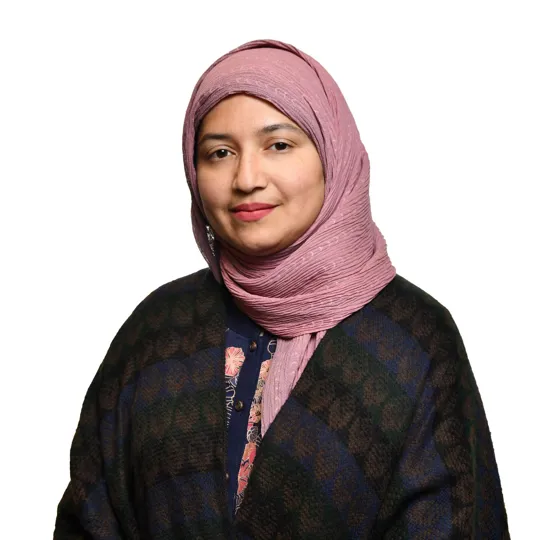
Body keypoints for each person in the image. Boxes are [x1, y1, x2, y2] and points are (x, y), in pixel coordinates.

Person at [54, 39, 510, 539]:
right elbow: (89, 518)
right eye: (220, 153)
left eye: (279, 145)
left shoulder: (411, 337)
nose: (247, 178)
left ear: (332, 155)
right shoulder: (158, 329)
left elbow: (457, 523)